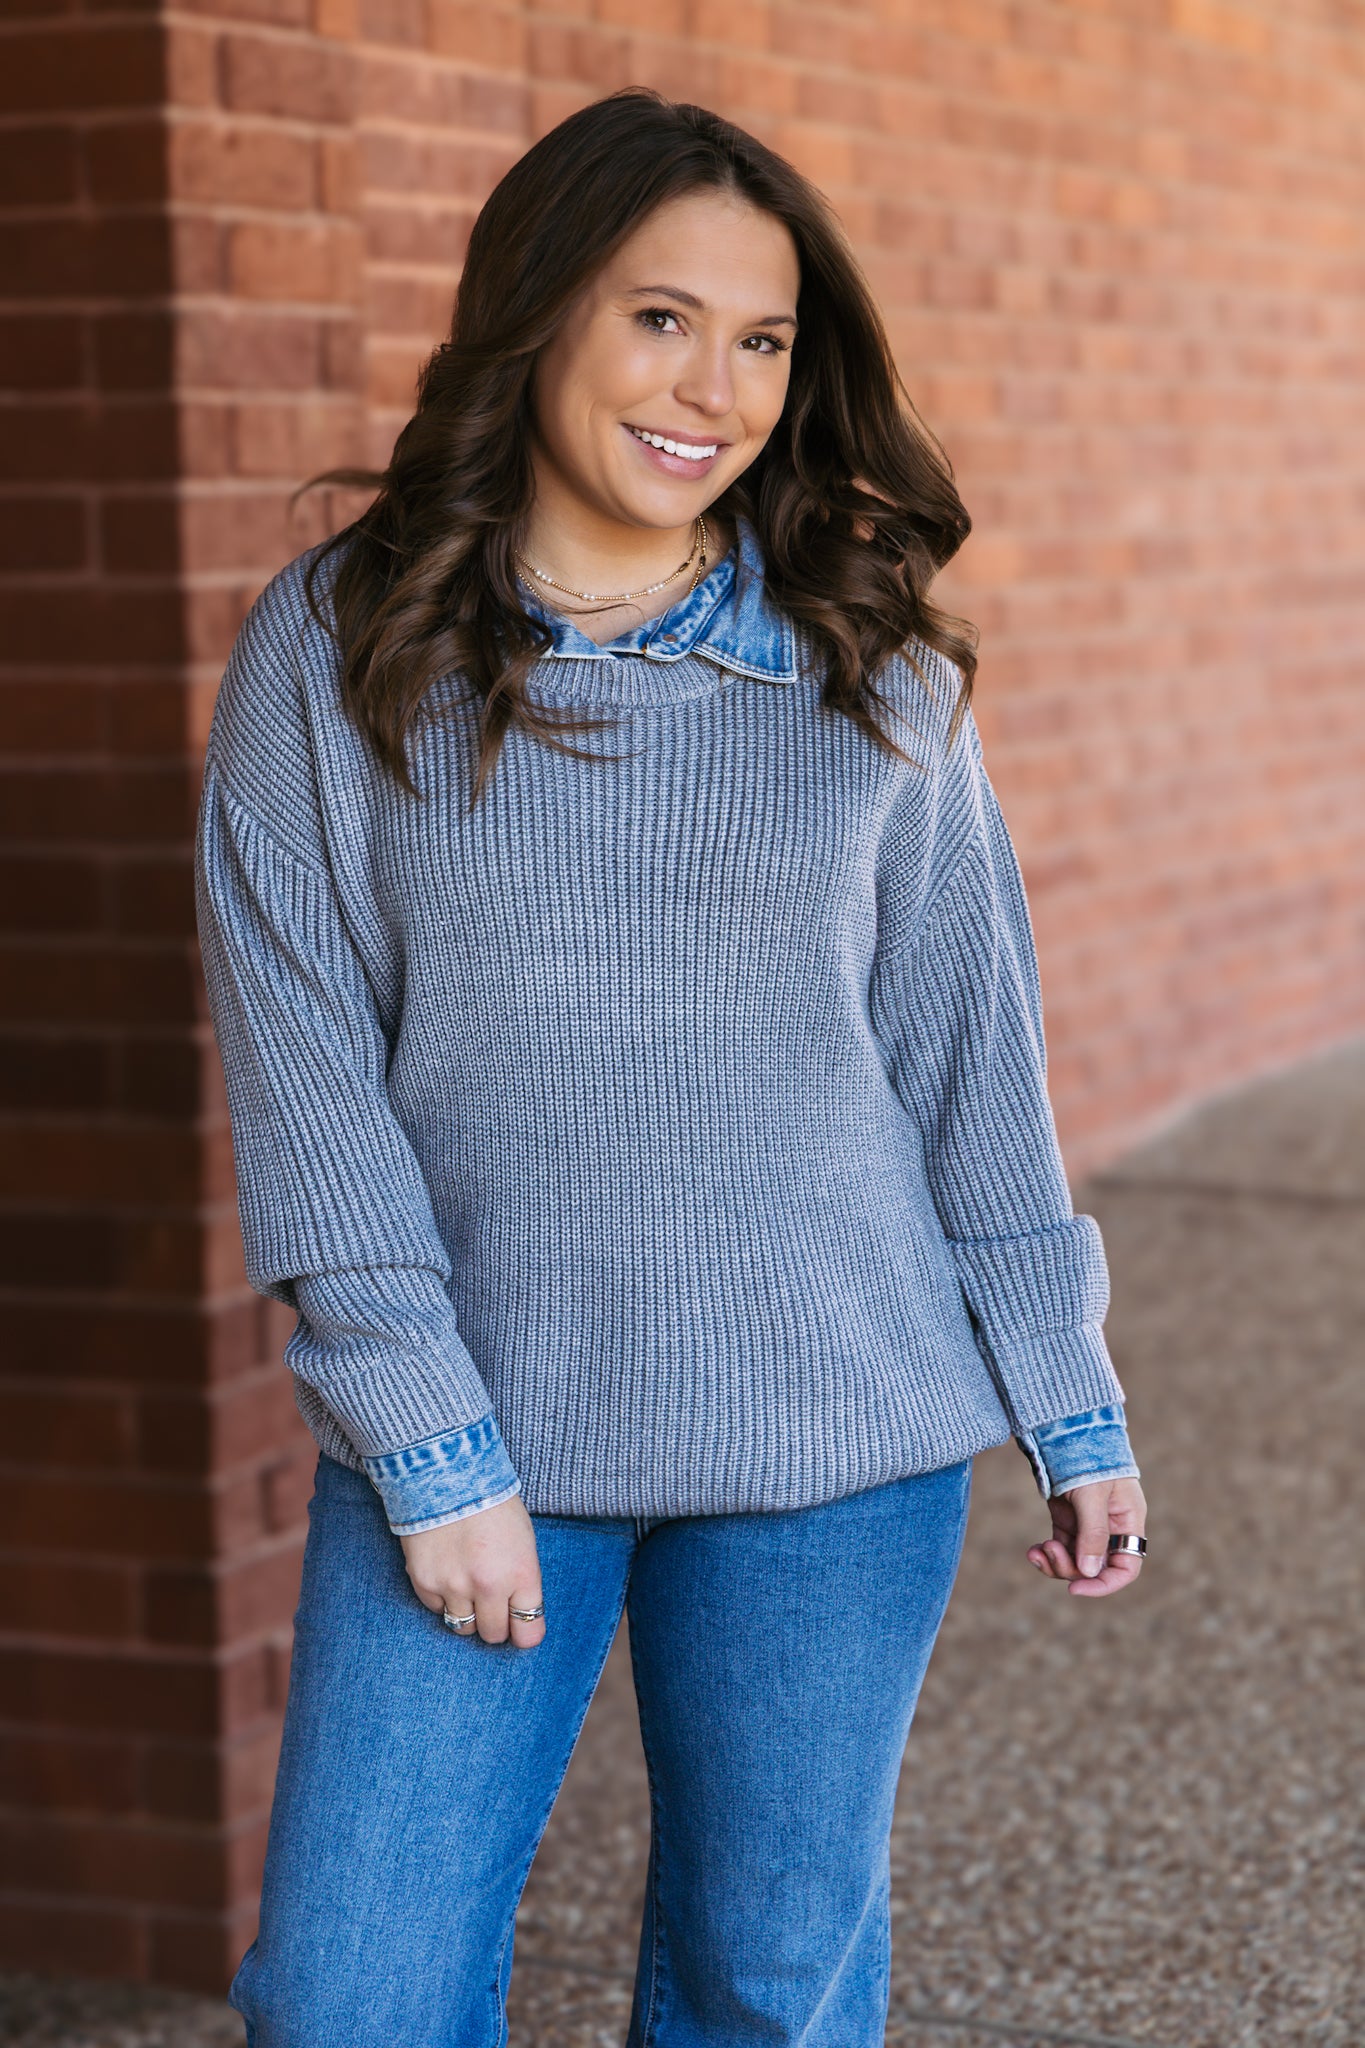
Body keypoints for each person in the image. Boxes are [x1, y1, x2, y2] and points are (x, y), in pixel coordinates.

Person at [196, 87, 1148, 2048]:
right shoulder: (339, 644)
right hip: (476, 1427)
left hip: (835, 1436)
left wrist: (1062, 1392)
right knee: (348, 1999)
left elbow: (964, 1055)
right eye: (658, 317)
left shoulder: (870, 665)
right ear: (534, 313)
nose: (709, 385)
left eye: (762, 339)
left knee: (760, 1992)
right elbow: (308, 1073)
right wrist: (428, 1443)